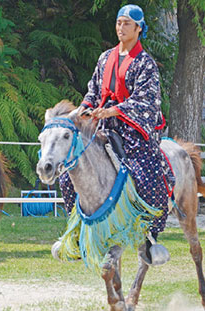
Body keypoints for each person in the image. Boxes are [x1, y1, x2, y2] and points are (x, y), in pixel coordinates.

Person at [58, 4, 172, 262]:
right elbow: (93, 91)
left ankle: (150, 237)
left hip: (133, 130)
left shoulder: (146, 64)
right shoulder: (105, 57)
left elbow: (147, 101)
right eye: (119, 23)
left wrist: (114, 111)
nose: (121, 28)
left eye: (127, 24)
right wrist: (85, 109)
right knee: (68, 174)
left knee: (146, 175)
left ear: (138, 28)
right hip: (102, 127)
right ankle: (76, 231)